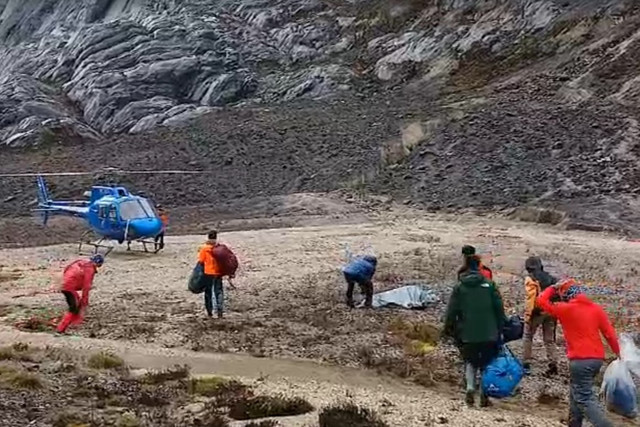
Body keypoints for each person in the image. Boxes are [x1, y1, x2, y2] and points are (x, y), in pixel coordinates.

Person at [537, 279, 620, 427]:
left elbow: (541, 301)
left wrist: (551, 288)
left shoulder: (564, 309)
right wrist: (618, 353)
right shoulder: (596, 309)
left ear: (566, 295)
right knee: (576, 390)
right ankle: (574, 423)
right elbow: (610, 334)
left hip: (580, 360)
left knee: (583, 397)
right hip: (597, 359)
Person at [444, 256, 505, 407]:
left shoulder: (459, 287)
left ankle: (470, 387)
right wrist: (501, 326)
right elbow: (499, 308)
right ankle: (484, 393)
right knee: (486, 362)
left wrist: (448, 328)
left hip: (467, 332)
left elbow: (452, 310)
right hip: (489, 331)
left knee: (470, 360)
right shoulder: (490, 285)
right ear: (479, 266)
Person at [522, 256, 559, 376]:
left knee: (528, 336)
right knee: (549, 339)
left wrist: (529, 314)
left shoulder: (530, 279)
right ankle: (553, 363)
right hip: (551, 310)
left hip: (536, 311)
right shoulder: (552, 279)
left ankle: (526, 363)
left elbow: (530, 300)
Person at [56, 254, 104, 334]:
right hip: (69, 287)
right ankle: (61, 329)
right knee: (74, 308)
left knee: (76, 302)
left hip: (65, 284)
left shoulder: (80, 262)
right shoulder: (90, 269)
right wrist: (85, 301)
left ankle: (72, 324)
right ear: (98, 263)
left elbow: (67, 268)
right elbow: (86, 286)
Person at [198, 230, 226, 318]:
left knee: (208, 292)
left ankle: (210, 312)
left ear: (208, 237)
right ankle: (220, 311)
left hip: (208, 273)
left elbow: (201, 261)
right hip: (218, 273)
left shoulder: (204, 248)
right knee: (219, 291)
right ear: (216, 237)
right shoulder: (220, 247)